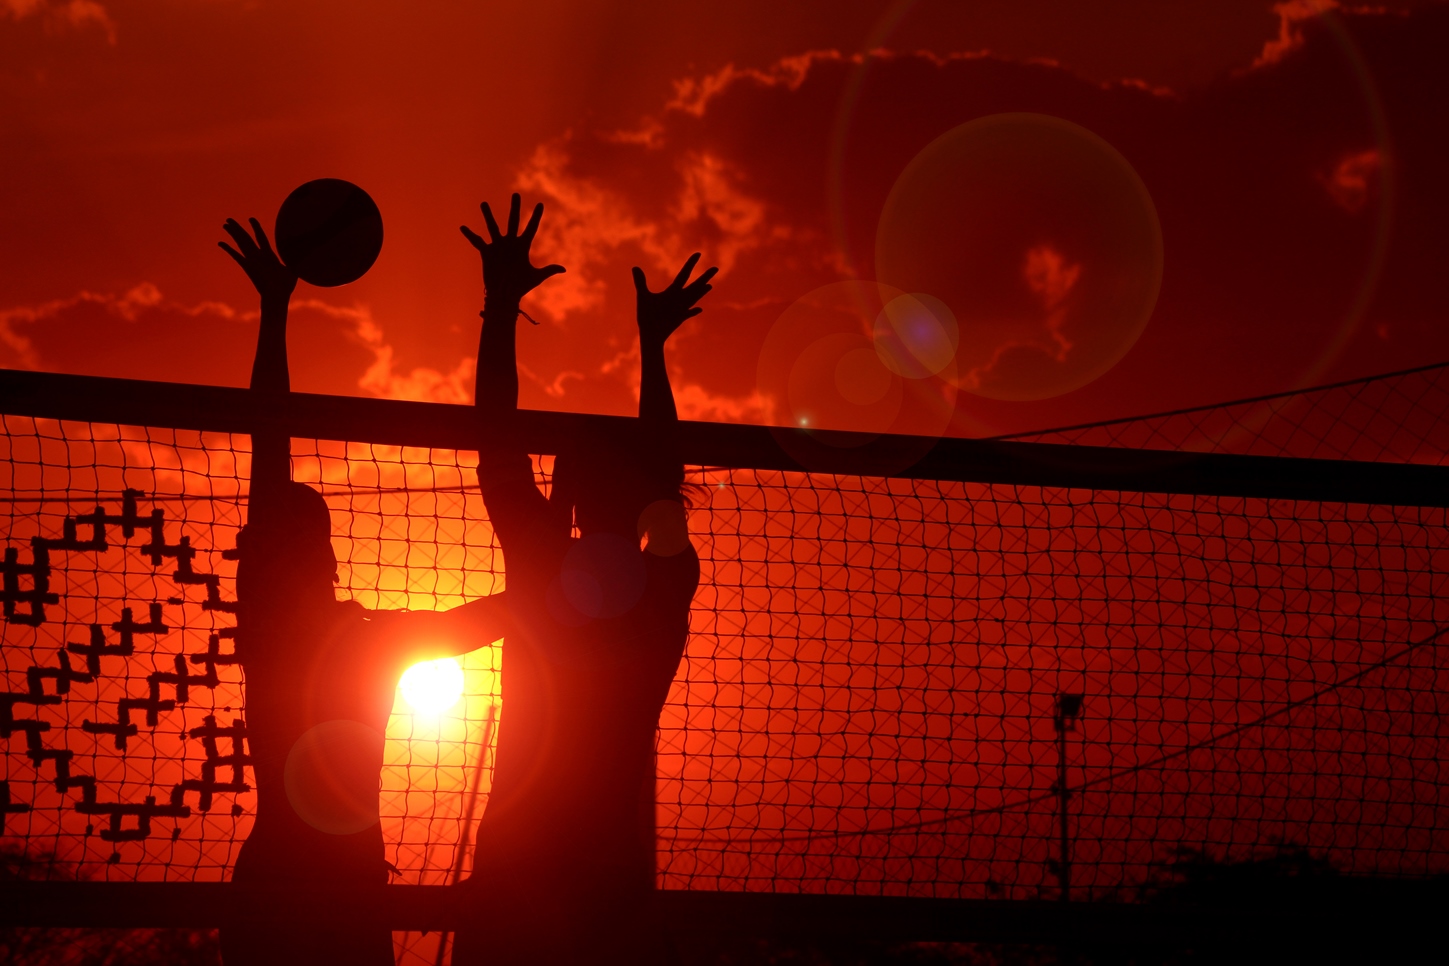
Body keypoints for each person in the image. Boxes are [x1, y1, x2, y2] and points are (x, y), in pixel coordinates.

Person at [216, 217, 511, 966]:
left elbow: (267, 442)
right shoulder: (340, 634)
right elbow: (267, 440)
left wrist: (276, 306)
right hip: (321, 880)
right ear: (328, 559)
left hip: (301, 877)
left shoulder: (286, 630)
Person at [452, 194, 714, 966]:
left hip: (519, 866)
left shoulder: (542, 567)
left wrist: (500, 309)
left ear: (563, 486)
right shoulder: (664, 584)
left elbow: (495, 439)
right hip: (607, 872)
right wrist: (653, 345)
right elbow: (661, 481)